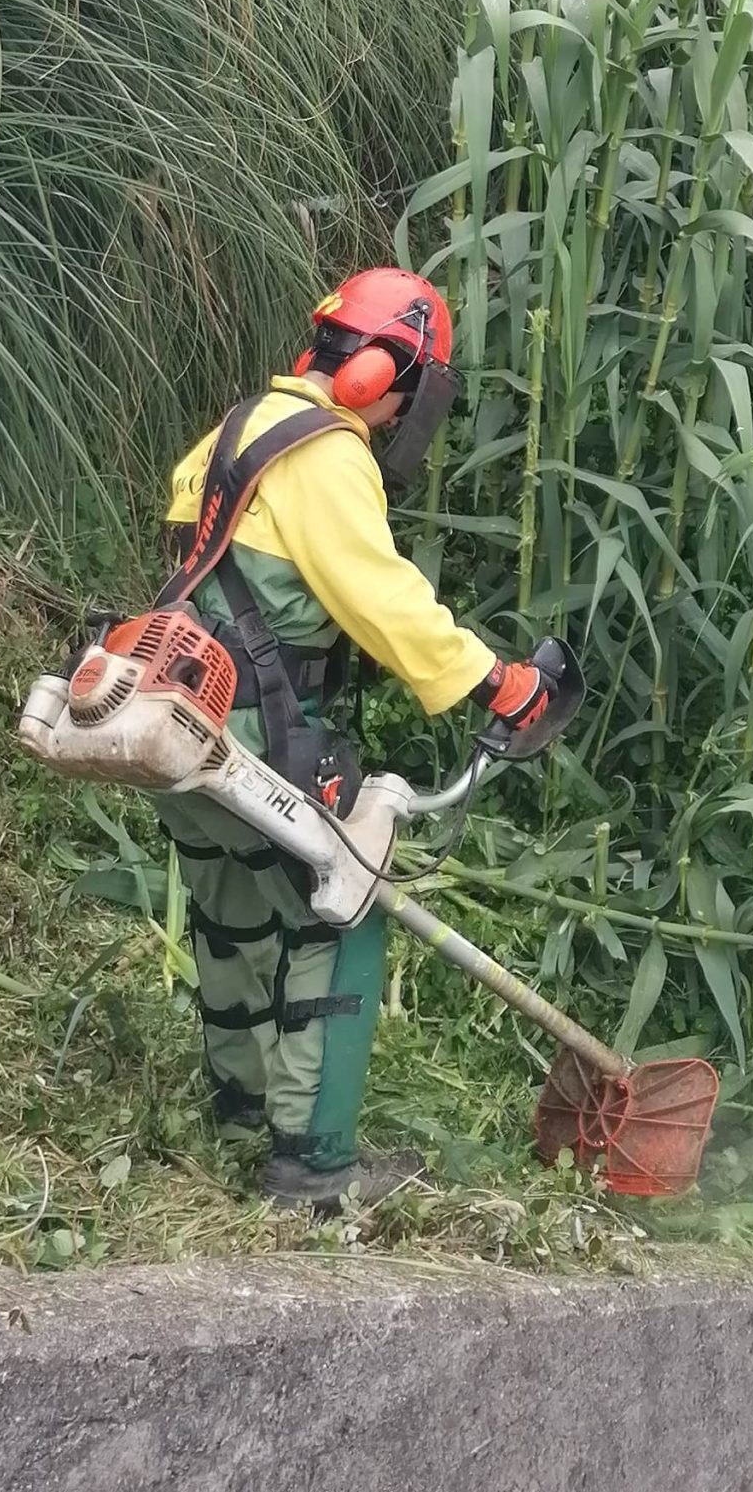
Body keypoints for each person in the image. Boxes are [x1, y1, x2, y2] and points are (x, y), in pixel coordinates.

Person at [152, 267, 560, 1211]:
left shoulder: (237, 427)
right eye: (421, 389)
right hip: (259, 726)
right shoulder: (329, 455)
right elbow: (385, 601)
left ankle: (241, 1110)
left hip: (181, 712)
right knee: (345, 913)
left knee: (232, 907)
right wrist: (499, 682)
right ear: (384, 374)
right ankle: (313, 1167)